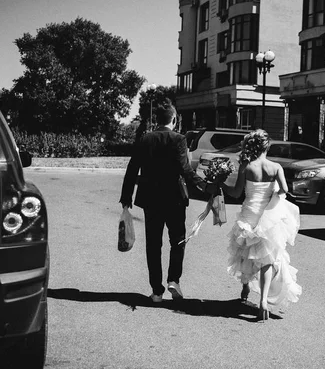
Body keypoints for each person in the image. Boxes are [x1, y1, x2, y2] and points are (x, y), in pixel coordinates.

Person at [120, 104, 217, 303]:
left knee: (153, 245)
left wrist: (126, 199)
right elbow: (185, 170)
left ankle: (156, 291)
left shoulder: (145, 139)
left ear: (157, 120)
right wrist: (205, 186)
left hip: (151, 200)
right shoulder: (179, 139)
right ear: (174, 120)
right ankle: (174, 280)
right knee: (178, 241)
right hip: (174, 200)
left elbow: (132, 170)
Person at [221, 129, 302, 321]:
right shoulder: (275, 168)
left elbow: (235, 193)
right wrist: (273, 195)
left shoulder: (246, 167)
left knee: (245, 253)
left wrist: (221, 184)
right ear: (267, 146)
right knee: (267, 260)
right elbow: (284, 189)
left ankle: (245, 286)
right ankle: (264, 300)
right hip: (267, 218)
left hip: (249, 215)